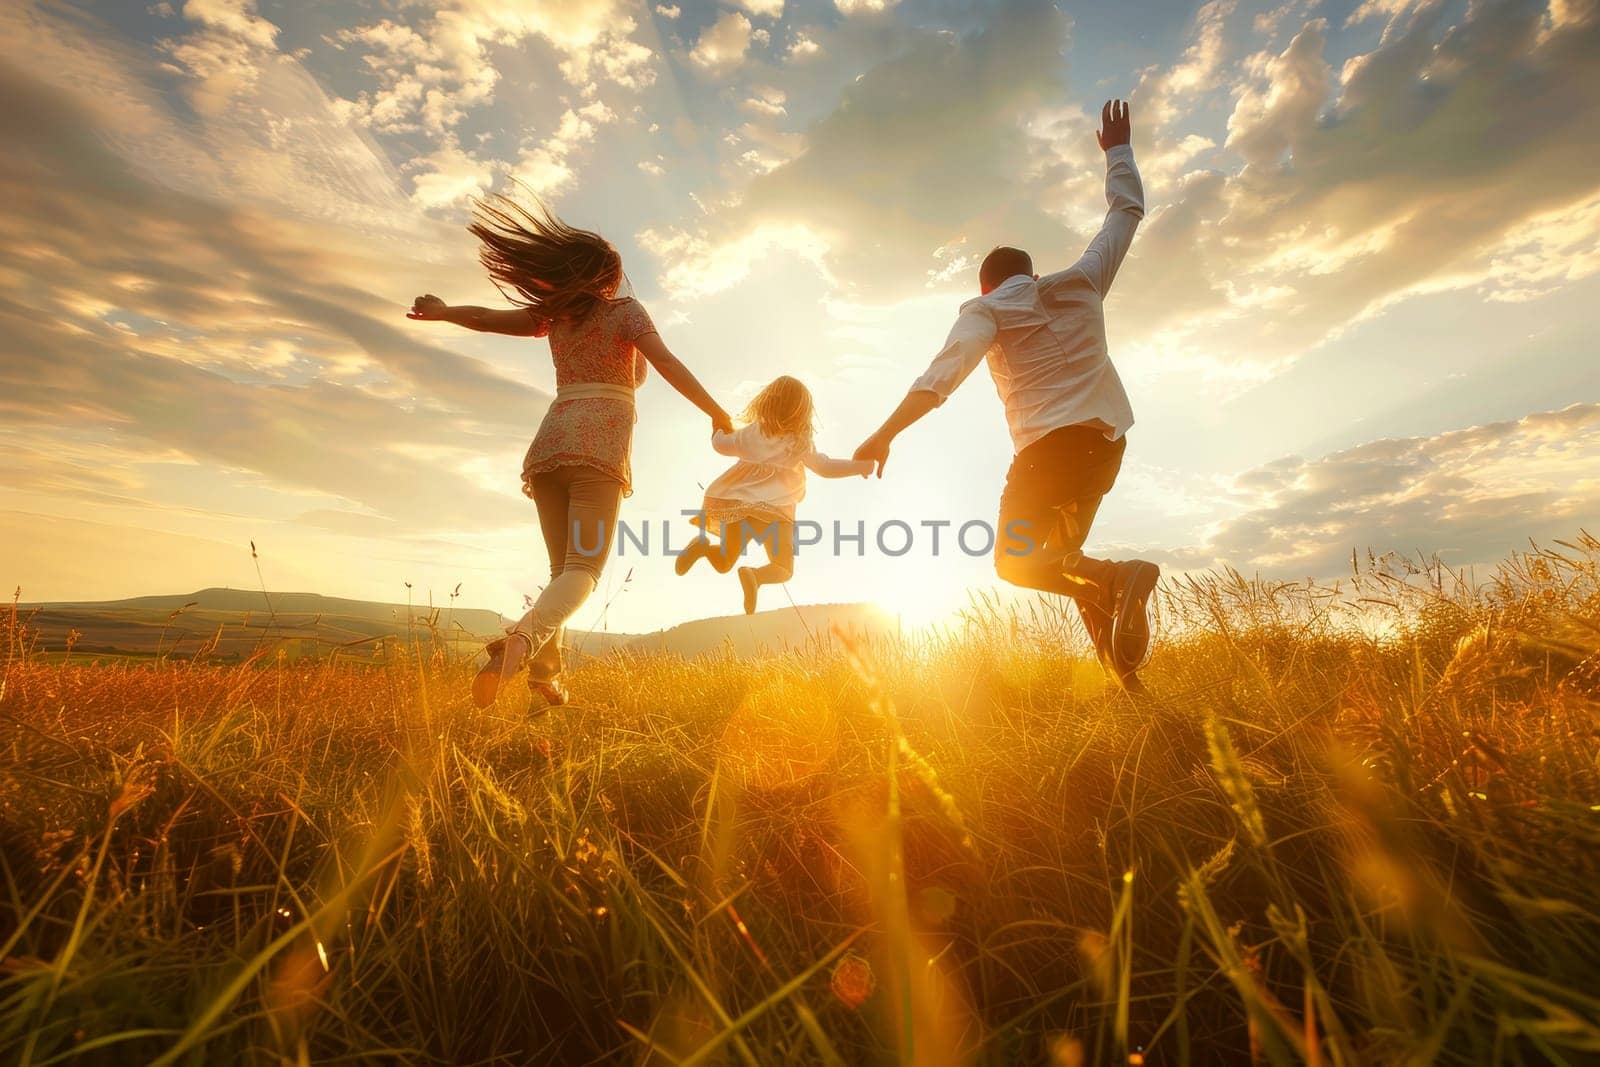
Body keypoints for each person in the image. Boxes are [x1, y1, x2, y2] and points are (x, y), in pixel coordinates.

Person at [852, 100, 1159, 688]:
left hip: (1048, 456)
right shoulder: (1086, 279)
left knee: (1015, 564)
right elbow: (1126, 212)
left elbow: (943, 374)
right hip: (1105, 451)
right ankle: (1132, 687)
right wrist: (1117, 151)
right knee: (1072, 571)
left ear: (986, 284)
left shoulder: (986, 308)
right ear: (1034, 272)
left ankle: (1122, 579)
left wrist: (882, 434)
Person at [409, 199, 731, 709]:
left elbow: (491, 319)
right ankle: (519, 642)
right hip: (598, 450)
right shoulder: (626, 313)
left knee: (562, 571)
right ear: (607, 278)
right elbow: (665, 361)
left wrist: (445, 312)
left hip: (549, 448)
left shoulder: (553, 319)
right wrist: (717, 412)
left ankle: (544, 678)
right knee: (584, 570)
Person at [676, 375, 873, 614]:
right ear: (803, 413)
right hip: (776, 514)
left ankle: (703, 548)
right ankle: (755, 576)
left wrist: (717, 429)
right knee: (783, 568)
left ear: (766, 402)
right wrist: (859, 467)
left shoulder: (749, 435)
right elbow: (825, 467)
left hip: (738, 508)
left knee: (724, 562)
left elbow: (721, 445)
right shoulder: (799, 443)